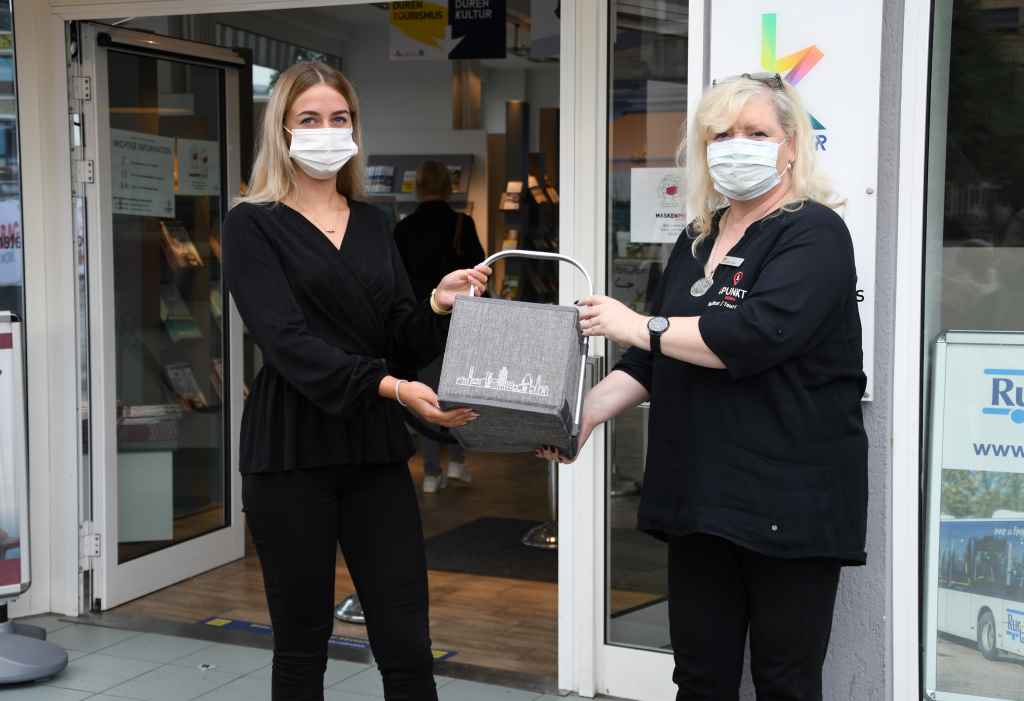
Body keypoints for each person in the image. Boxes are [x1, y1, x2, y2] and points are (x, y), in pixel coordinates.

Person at [540, 72, 868, 701]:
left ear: (792, 145)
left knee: (785, 681)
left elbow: (757, 334)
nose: (736, 145)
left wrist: (639, 324)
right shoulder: (698, 240)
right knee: (699, 676)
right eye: (721, 135)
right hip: (700, 499)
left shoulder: (815, 232)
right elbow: (652, 362)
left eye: (756, 133)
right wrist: (578, 417)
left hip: (787, 502)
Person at [221, 61, 490, 701]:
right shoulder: (251, 224)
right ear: (282, 130)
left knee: (405, 642)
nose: (326, 131)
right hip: (290, 452)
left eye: (338, 119)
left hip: (372, 451)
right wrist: (395, 389)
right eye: (309, 119)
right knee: (301, 646)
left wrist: (438, 302)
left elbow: (400, 335)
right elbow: (288, 343)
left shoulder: (372, 222)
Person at [393, 160, 485, 492]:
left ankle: (431, 472)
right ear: (449, 185)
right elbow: (481, 272)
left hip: (420, 323)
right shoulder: (462, 223)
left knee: (430, 395)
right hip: (460, 323)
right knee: (460, 390)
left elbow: (395, 282)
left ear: (418, 186)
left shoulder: (404, 229)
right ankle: (458, 462)